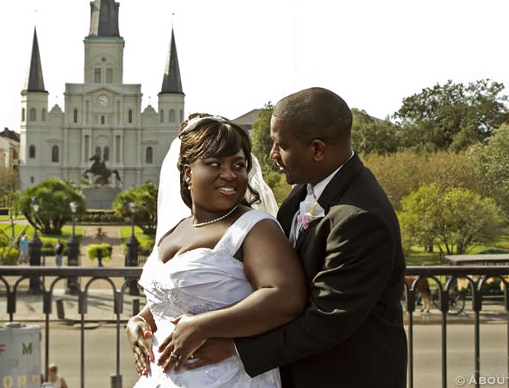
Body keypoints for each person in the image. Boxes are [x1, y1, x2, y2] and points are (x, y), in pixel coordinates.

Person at [180, 88, 407, 388]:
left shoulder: (361, 219)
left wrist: (234, 348)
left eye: (280, 145)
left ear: (317, 150)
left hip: (344, 376)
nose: (272, 155)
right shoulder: (307, 188)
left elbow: (327, 319)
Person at [126, 115, 306, 387]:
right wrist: (139, 320)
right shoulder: (175, 229)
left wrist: (203, 326)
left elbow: (285, 298)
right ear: (188, 173)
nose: (229, 174)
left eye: (239, 165)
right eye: (214, 164)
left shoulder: (256, 228)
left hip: (228, 379)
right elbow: (177, 293)